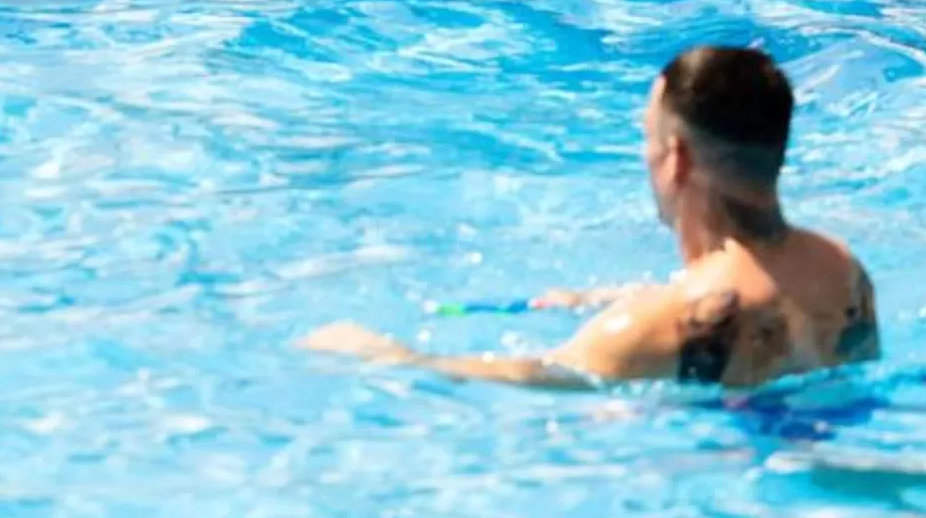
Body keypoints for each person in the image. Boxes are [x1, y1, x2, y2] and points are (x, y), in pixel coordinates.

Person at [305, 46, 880, 389]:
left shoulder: (650, 326)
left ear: (677, 159)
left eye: (647, 139)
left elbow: (539, 378)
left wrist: (391, 356)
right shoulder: (843, 269)